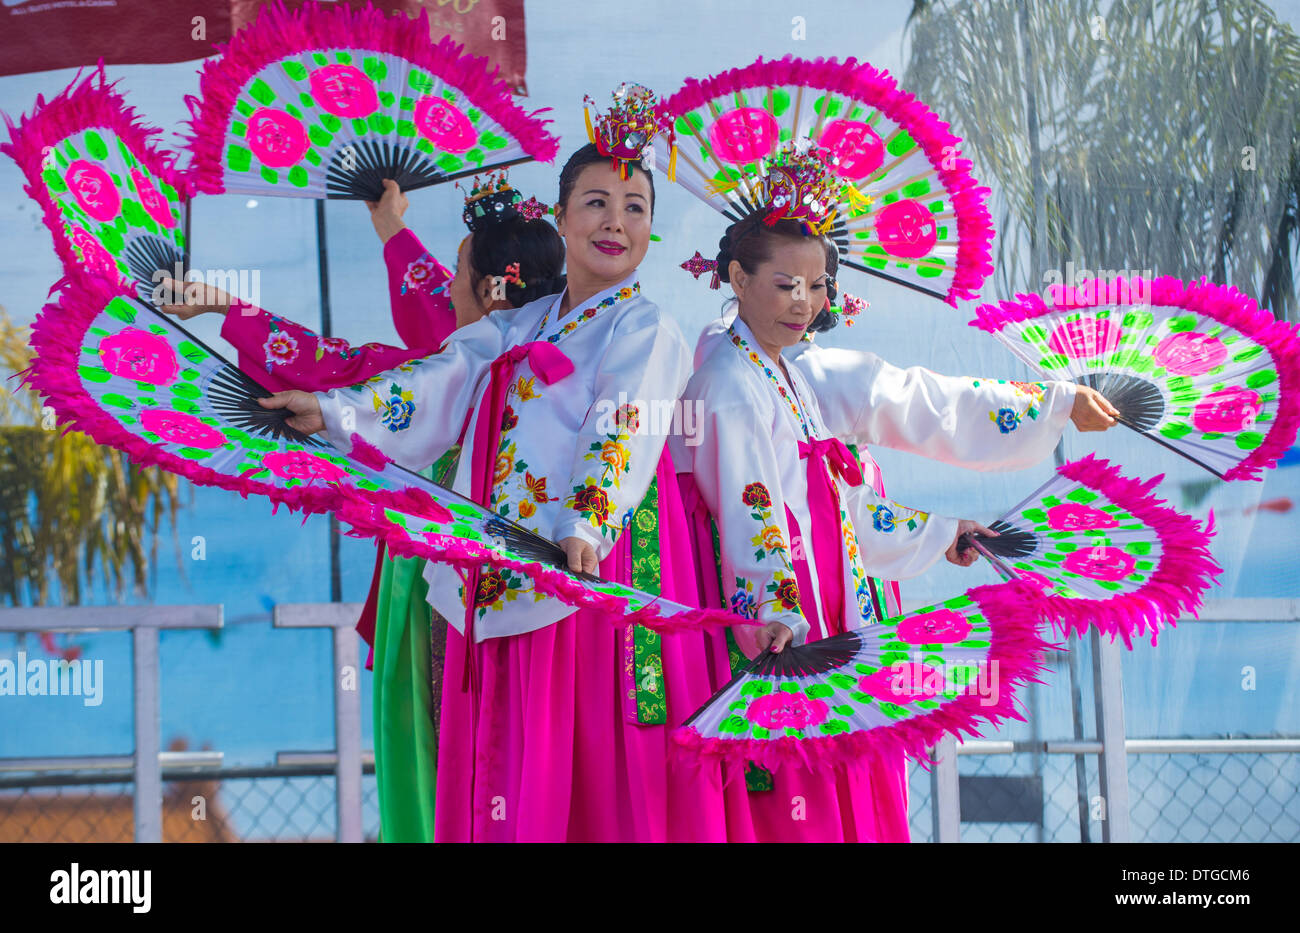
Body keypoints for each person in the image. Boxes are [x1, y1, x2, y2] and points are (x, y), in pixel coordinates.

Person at [256, 96, 740, 840]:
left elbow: (628, 421)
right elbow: (436, 379)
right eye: (597, 202)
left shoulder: (645, 325)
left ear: (651, 228)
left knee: (577, 774)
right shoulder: (518, 325)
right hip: (494, 576)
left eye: (635, 206)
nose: (616, 220)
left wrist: (588, 522)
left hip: (572, 574)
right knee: (499, 771)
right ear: (561, 213)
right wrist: (337, 412)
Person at [158, 174, 565, 842]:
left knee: (442, 750)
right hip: (553, 582)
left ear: (487, 286)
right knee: (531, 756)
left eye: (458, 271)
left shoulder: (462, 355)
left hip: (444, 578)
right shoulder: (557, 346)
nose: (446, 286)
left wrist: (229, 312)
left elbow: (344, 368)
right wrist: (390, 225)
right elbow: (429, 307)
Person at [672, 148, 1042, 840]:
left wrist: (942, 533)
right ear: (736, 278)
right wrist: (776, 616)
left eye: (815, 286)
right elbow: (750, 510)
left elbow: (836, 508)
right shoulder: (727, 381)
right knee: (797, 804)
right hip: (785, 621)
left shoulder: (786, 377)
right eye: (785, 284)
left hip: (829, 608)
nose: (804, 303)